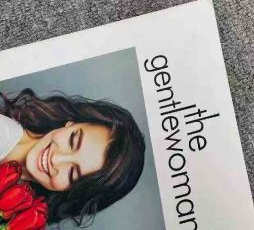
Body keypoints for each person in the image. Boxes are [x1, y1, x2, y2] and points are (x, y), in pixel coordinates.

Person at [0, 89, 145, 226]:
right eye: (72, 141)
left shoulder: (20, 211)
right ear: (71, 123)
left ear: (70, 192)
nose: (56, 160)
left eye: (72, 174)